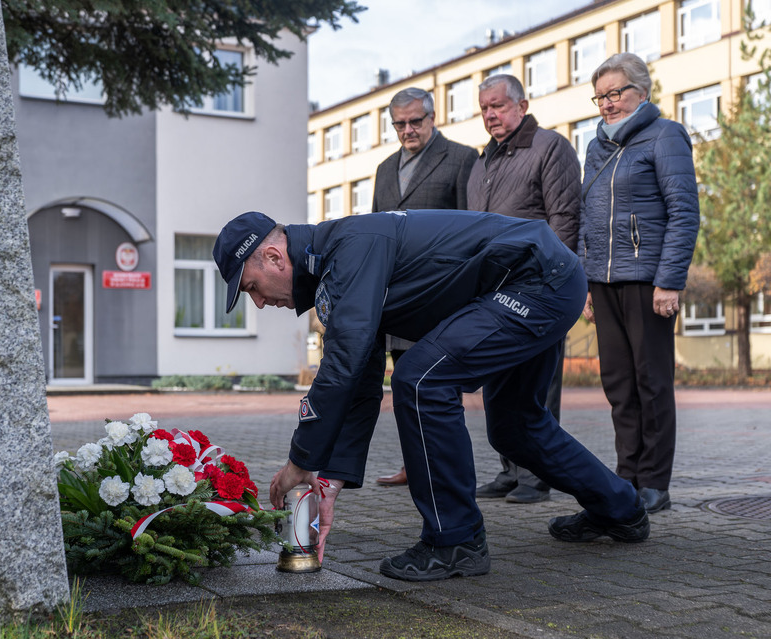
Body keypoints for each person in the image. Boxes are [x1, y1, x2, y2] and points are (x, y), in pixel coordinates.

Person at [212, 209, 649, 582]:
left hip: (534, 280)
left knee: (421, 379)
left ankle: (456, 540)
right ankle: (621, 509)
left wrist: (300, 460)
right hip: (542, 279)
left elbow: (343, 364)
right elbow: (360, 377)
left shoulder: (350, 250)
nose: (260, 303)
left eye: (251, 288)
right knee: (516, 428)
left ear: (272, 256)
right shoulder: (334, 268)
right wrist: (330, 475)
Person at [579, 53, 699, 514]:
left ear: (641, 91)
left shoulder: (665, 135)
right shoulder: (596, 148)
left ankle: (654, 481)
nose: (607, 103)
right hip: (603, 281)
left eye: (615, 93)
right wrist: (584, 280)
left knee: (652, 381)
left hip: (648, 281)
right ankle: (625, 475)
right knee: (617, 384)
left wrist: (669, 280)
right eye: (600, 96)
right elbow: (587, 221)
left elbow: (684, 212)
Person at [467, 74, 582, 504]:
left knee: (537, 389)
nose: (491, 115)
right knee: (500, 383)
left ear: (522, 104)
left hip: (538, 290)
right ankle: (510, 471)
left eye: (497, 105)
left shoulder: (550, 147)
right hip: (493, 294)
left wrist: (554, 284)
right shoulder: (483, 162)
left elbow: (565, 218)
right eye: (484, 108)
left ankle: (538, 477)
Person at [372, 87, 478, 487]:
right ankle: (413, 465)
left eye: (416, 121)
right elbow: (374, 232)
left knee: (439, 387)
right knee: (404, 384)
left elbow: (473, 227)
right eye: (399, 123)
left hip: (441, 295)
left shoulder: (463, 158)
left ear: (433, 118)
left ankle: (447, 472)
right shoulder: (384, 169)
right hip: (399, 298)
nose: (408, 130)